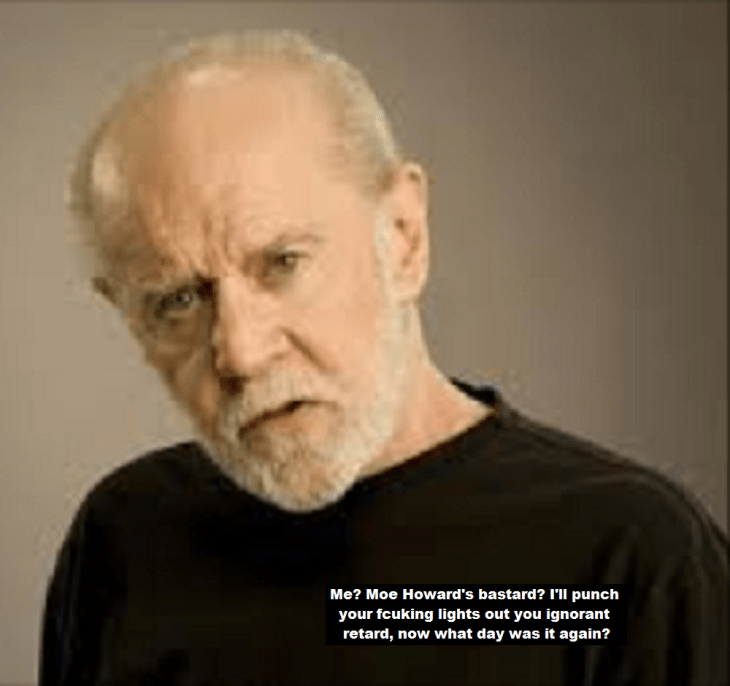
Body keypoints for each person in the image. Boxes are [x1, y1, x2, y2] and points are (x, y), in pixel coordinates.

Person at [41, 31, 727, 686]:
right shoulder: (126, 538)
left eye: (283, 263)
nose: (241, 353)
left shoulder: (626, 559)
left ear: (402, 238)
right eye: (179, 301)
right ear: (124, 314)